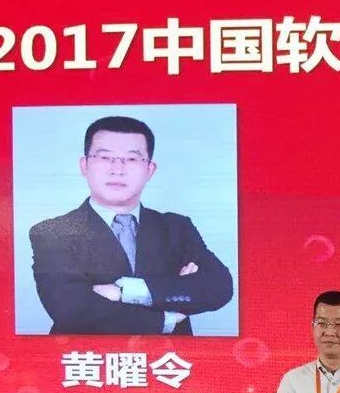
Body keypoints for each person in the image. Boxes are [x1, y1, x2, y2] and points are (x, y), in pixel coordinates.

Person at [28, 115, 233, 335]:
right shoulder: (53, 233)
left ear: (150, 170)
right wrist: (167, 317)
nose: (117, 169)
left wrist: (127, 291)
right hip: (87, 355)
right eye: (105, 157)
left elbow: (218, 287)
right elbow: (70, 309)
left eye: (132, 159)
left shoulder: (176, 227)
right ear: (84, 166)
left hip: (168, 355)